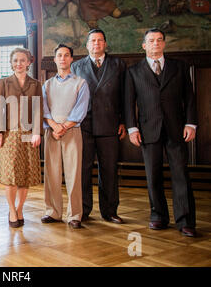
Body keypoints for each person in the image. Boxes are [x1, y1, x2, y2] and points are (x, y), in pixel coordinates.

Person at [125, 28, 197, 237]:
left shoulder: (180, 67)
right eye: (151, 41)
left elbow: (190, 98)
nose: (155, 44)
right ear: (144, 45)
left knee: (181, 175)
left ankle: (185, 221)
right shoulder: (133, 71)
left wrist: (191, 124)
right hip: (148, 130)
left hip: (177, 128)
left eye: (159, 40)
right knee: (153, 175)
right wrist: (132, 128)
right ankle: (158, 216)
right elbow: (129, 103)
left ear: (164, 44)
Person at [71, 29, 126, 224]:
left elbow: (125, 96)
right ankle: (84, 209)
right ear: (87, 45)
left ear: (105, 44)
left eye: (100, 40)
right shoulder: (76, 66)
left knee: (109, 169)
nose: (96, 43)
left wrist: (124, 121)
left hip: (110, 125)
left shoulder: (118, 64)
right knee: (83, 169)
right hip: (83, 125)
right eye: (93, 41)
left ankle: (110, 211)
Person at [0, 47, 43, 228]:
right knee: (11, 175)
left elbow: (38, 110)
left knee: (25, 175)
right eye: (15, 60)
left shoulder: (36, 84)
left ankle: (20, 208)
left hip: (29, 135)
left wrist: (37, 132)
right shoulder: (4, 82)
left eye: (22, 60)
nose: (19, 64)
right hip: (9, 135)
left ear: (29, 62)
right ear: (11, 63)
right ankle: (11, 210)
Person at [41, 44, 89, 229]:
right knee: (51, 173)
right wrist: (54, 126)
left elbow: (81, 109)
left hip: (72, 132)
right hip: (52, 132)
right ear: (54, 60)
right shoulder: (47, 84)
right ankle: (52, 211)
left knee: (74, 173)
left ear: (71, 59)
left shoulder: (80, 83)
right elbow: (44, 108)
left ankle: (75, 214)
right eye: (59, 55)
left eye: (66, 55)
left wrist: (64, 126)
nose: (62, 58)